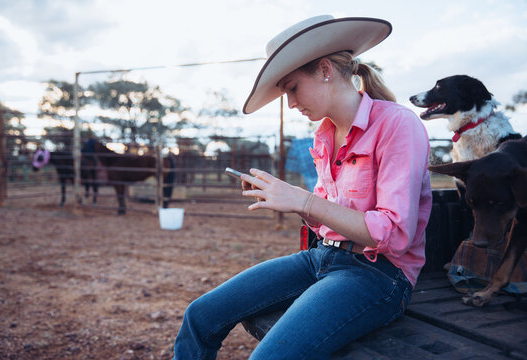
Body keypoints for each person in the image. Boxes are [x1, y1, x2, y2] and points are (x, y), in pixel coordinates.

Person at [173, 15, 432, 359]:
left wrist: (305, 201)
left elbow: (395, 233)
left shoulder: (397, 124)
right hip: (321, 257)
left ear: (325, 70)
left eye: (292, 88)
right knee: (199, 316)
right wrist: (293, 203)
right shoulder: (323, 135)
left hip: (379, 274)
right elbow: (327, 218)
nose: (291, 103)